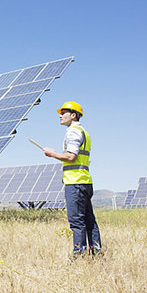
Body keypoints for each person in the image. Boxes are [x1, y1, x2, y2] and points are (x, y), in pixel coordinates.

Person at [43, 102, 102, 258]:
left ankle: (79, 256)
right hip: (84, 181)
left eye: (64, 113)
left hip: (75, 183)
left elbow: (71, 156)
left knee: (76, 221)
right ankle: (96, 252)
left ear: (73, 115)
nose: (60, 115)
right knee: (89, 221)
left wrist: (52, 154)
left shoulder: (73, 132)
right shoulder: (83, 131)